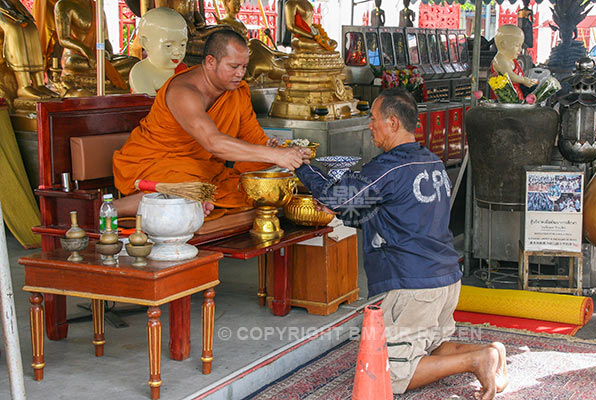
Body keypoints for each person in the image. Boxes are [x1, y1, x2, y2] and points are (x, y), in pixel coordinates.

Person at [295, 88, 508, 398]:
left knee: (390, 375)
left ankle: (478, 359)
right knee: (431, 347)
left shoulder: (389, 167)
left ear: (392, 122)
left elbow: (337, 195)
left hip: (413, 284)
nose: (370, 126)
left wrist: (302, 166)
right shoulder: (432, 162)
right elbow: (392, 214)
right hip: (444, 278)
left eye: (373, 119)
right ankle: (490, 352)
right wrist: (341, 207)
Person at [113, 30, 309, 216]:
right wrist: (275, 155)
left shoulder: (237, 92)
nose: (240, 74)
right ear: (210, 62)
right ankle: (113, 209)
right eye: (233, 67)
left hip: (202, 170)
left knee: (244, 190)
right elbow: (213, 142)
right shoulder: (183, 92)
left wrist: (286, 152)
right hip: (150, 164)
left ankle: (197, 200)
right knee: (191, 189)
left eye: (244, 67)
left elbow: (254, 138)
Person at [129, 7, 188, 96]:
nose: (177, 52)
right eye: (168, 46)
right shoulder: (140, 73)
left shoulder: (183, 70)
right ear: (145, 43)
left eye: (182, 44)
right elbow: (153, 107)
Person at [491, 25, 537, 100]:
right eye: (517, 45)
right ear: (503, 44)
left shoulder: (511, 59)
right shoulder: (500, 59)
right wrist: (523, 80)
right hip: (505, 98)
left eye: (521, 45)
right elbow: (509, 75)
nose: (520, 49)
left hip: (516, 95)